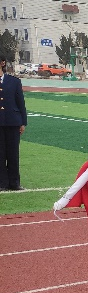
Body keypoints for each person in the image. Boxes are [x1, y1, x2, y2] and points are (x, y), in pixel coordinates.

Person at [0, 56, 27, 191]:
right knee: (0, 153)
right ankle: (2, 183)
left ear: (2, 63)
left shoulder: (14, 81)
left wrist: (23, 122)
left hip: (12, 121)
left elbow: (20, 102)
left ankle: (14, 183)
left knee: (13, 153)